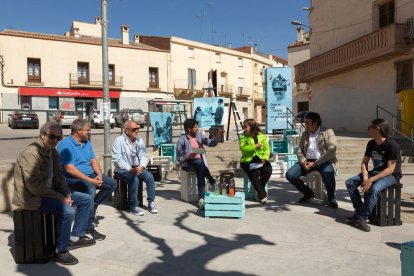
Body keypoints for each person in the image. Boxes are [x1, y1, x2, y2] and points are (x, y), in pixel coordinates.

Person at [13, 122, 95, 265]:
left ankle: (77, 236)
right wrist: (60, 197)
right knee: (68, 211)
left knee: (86, 199)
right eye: (52, 137)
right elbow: (34, 186)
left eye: (59, 138)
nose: (55, 141)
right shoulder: (31, 153)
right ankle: (61, 251)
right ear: (42, 135)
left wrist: (66, 193)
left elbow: (58, 177)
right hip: (33, 198)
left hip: (50, 193)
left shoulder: (52, 152)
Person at [57, 119, 116, 241]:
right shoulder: (65, 145)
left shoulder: (86, 143)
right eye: (87, 130)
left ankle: (92, 206)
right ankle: (87, 228)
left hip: (89, 175)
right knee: (90, 189)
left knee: (111, 184)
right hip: (71, 179)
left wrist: (99, 175)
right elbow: (70, 169)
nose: (89, 132)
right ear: (78, 131)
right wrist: (91, 181)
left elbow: (93, 161)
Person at [345, 119, 402, 232]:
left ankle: (361, 218)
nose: (368, 129)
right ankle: (360, 211)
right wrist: (366, 177)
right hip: (375, 172)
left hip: (392, 175)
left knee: (375, 188)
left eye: (370, 127)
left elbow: (391, 169)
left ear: (377, 129)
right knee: (350, 182)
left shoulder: (392, 145)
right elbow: (364, 162)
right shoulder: (371, 143)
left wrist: (371, 179)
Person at [285, 112, 339, 208]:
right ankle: (308, 193)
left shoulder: (328, 132)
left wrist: (315, 163)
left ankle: (331, 198)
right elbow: (300, 150)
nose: (305, 125)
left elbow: (332, 150)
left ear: (315, 123)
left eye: (307, 123)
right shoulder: (305, 133)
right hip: (307, 161)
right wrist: (303, 161)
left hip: (323, 161)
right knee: (290, 174)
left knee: (328, 173)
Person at [112, 120, 158, 215]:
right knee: (134, 179)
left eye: (138, 129)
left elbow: (144, 155)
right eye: (134, 129)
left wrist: (141, 166)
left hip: (137, 167)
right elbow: (117, 159)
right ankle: (134, 206)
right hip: (123, 169)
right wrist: (130, 169)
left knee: (149, 177)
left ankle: (151, 203)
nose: (136, 131)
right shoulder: (119, 141)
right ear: (127, 131)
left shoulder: (139, 140)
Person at [176, 118, 223, 209]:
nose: (197, 129)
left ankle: (201, 199)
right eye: (195, 127)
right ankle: (211, 179)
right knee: (198, 163)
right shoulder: (182, 140)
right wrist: (188, 156)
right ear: (189, 129)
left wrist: (218, 136)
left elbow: (211, 143)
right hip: (188, 164)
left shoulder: (199, 136)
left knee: (199, 169)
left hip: (200, 164)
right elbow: (179, 158)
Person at [239, 119, 273, 204]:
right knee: (254, 173)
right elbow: (243, 149)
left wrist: (264, 158)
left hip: (259, 159)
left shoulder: (261, 136)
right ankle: (262, 195)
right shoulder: (243, 137)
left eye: (246, 126)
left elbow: (267, 149)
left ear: (252, 127)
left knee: (268, 169)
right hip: (247, 160)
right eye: (244, 126)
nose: (244, 128)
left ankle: (257, 188)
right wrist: (254, 146)